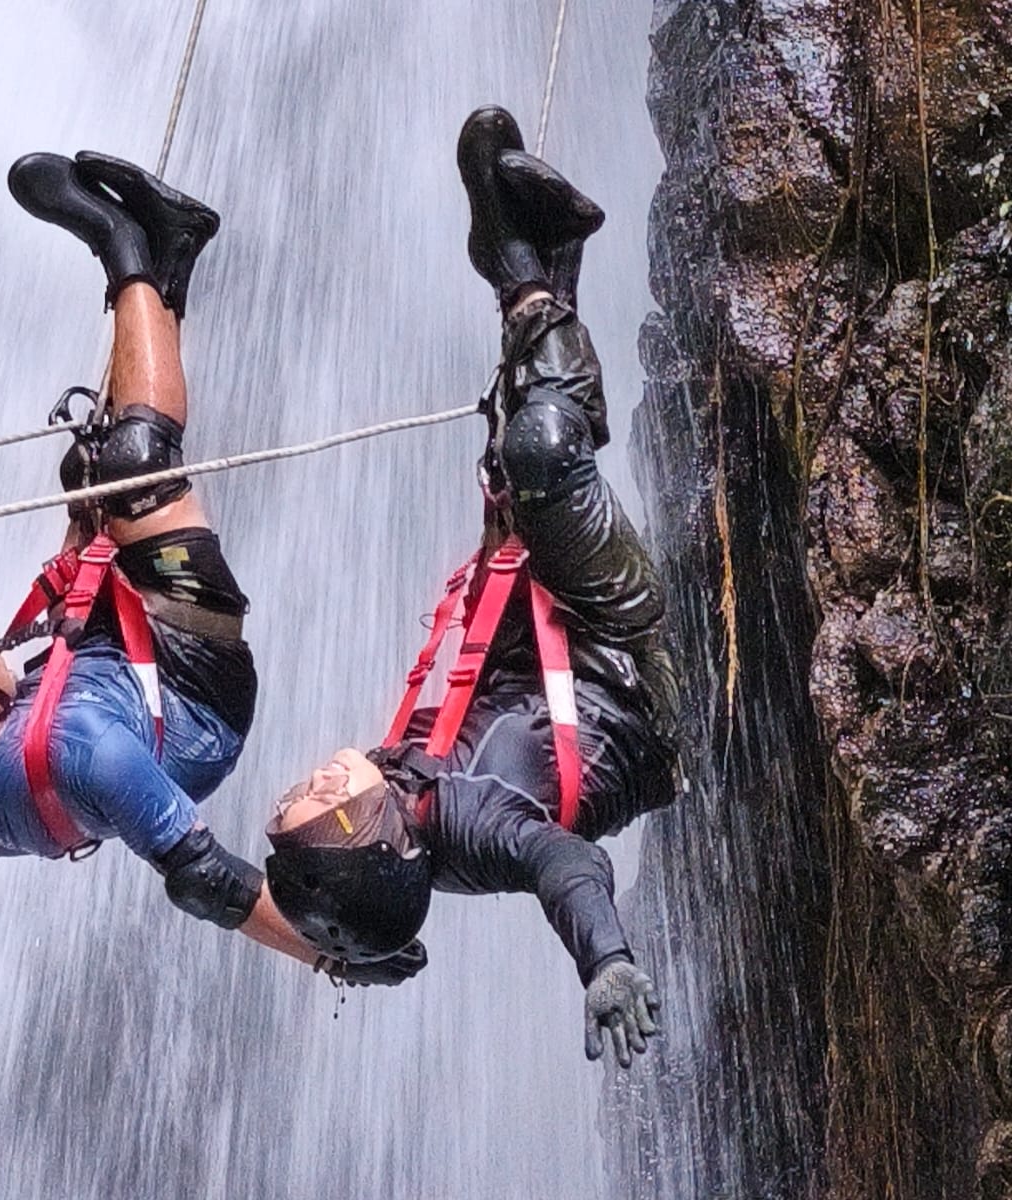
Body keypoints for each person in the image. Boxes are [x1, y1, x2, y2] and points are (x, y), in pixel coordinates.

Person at [0, 151, 423, 1137]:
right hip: (191, 695)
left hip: (85, 663)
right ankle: (132, 248)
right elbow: (207, 881)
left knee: (90, 468)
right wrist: (332, 955)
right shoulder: (91, 761)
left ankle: (165, 255)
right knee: (133, 468)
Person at [262, 106, 681, 1070]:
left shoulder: (400, 787)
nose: (317, 779)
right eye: (322, 805)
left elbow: (246, 885)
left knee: (516, 463)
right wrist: (604, 962)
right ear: (376, 843)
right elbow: (563, 862)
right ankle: (521, 269)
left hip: (552, 646)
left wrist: (347, 954)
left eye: (294, 794)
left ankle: (547, 251)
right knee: (540, 454)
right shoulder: (467, 828)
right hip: (630, 670)